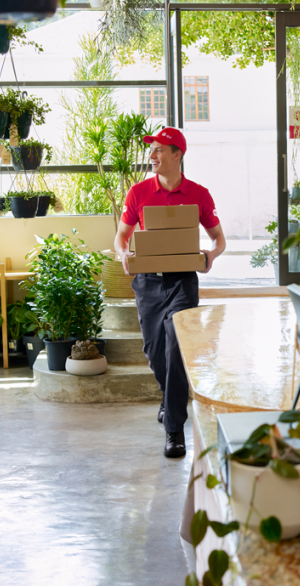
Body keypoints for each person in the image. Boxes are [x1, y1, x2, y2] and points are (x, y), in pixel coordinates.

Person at [113, 128, 227, 458]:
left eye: (160, 150)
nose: (153, 155)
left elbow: (220, 239)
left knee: (176, 345)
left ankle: (174, 429)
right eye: (152, 150)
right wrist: (124, 255)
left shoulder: (199, 194)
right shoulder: (138, 193)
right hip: (148, 280)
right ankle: (169, 399)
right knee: (154, 350)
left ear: (177, 155)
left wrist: (210, 255)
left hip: (182, 282)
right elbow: (121, 237)